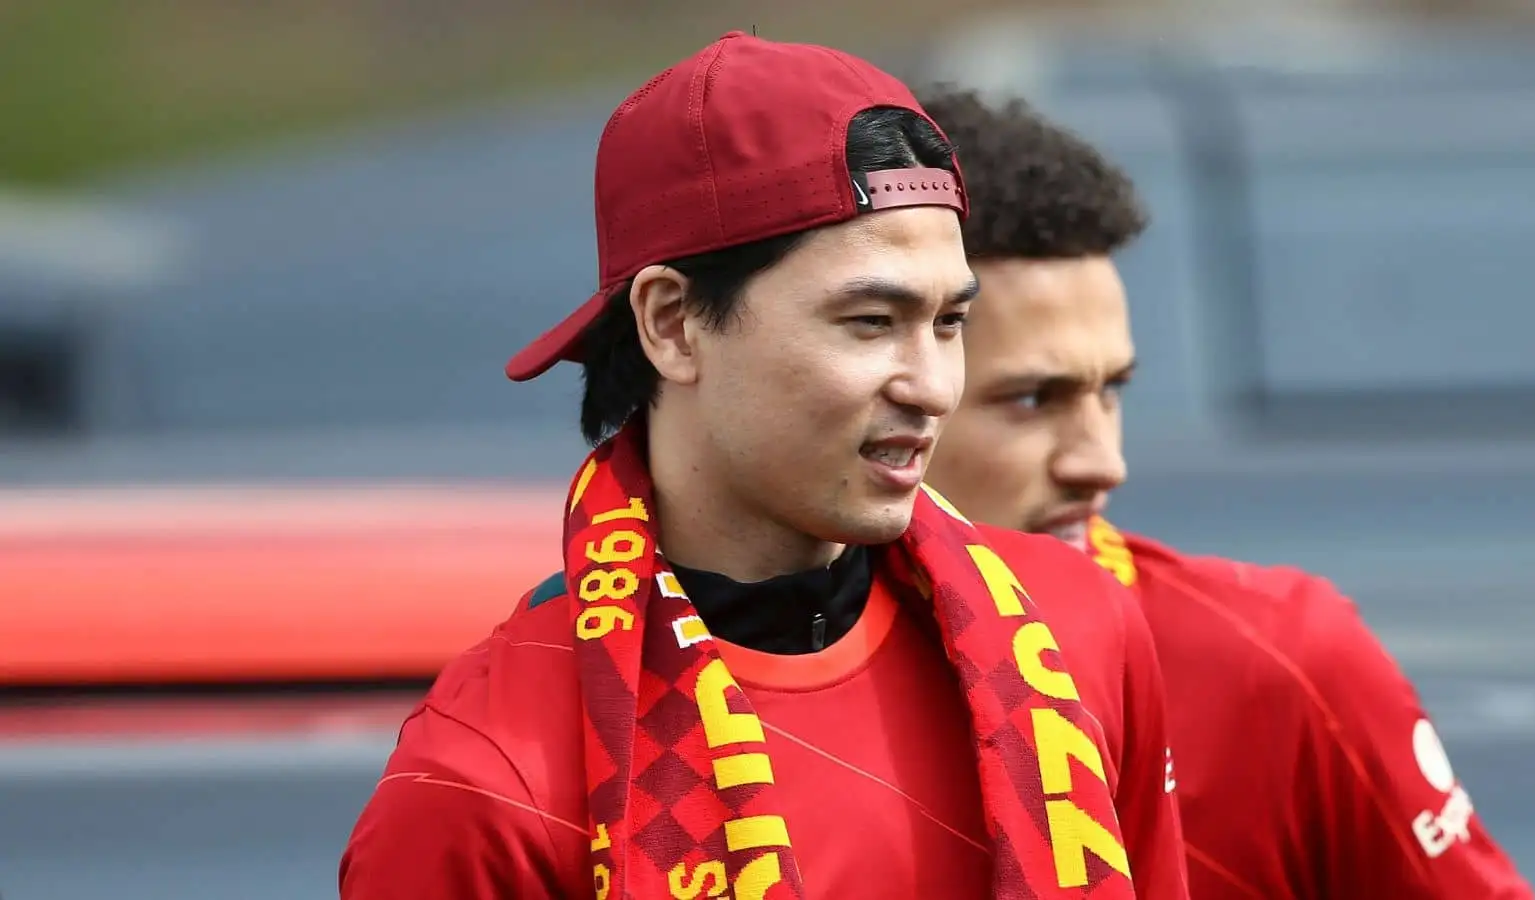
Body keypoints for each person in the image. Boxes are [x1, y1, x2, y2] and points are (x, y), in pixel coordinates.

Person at [338, 34, 1190, 900]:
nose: (933, 386)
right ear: (672, 323)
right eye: (870, 321)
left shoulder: (1077, 633)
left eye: (946, 323)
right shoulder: (487, 775)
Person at [917, 86, 1535, 899]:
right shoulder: (725, 673)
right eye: (1032, 400)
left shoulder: (1278, 662)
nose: (1102, 463)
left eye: (1112, 390)